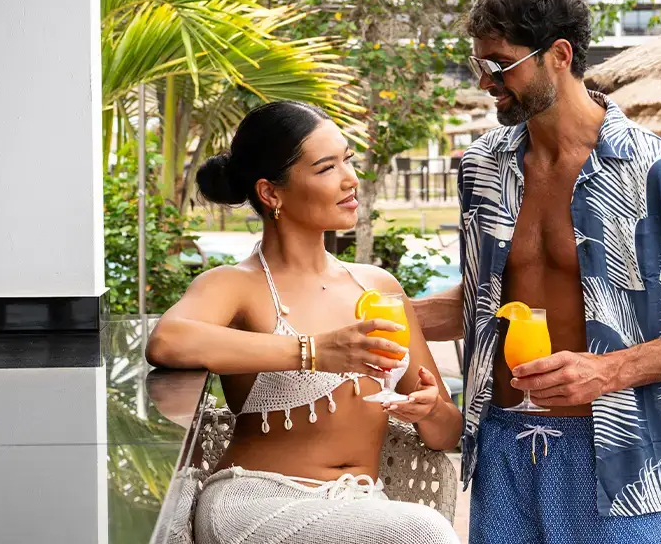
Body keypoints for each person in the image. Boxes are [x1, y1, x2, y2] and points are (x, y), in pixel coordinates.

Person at [411, 0, 661, 543]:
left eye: (499, 64)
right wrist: (362, 311)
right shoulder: (481, 168)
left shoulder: (659, 170)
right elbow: (487, 302)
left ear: (559, 55)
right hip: (502, 446)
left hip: (622, 462)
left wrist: (606, 372)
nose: (485, 82)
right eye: (480, 65)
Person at [147, 101, 463, 544]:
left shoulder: (377, 287)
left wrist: (430, 410)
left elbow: (448, 432)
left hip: (361, 506)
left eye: (347, 160)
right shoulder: (235, 285)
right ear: (270, 193)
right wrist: (314, 351)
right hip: (253, 501)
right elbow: (167, 340)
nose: (350, 179)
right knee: (425, 532)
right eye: (325, 167)